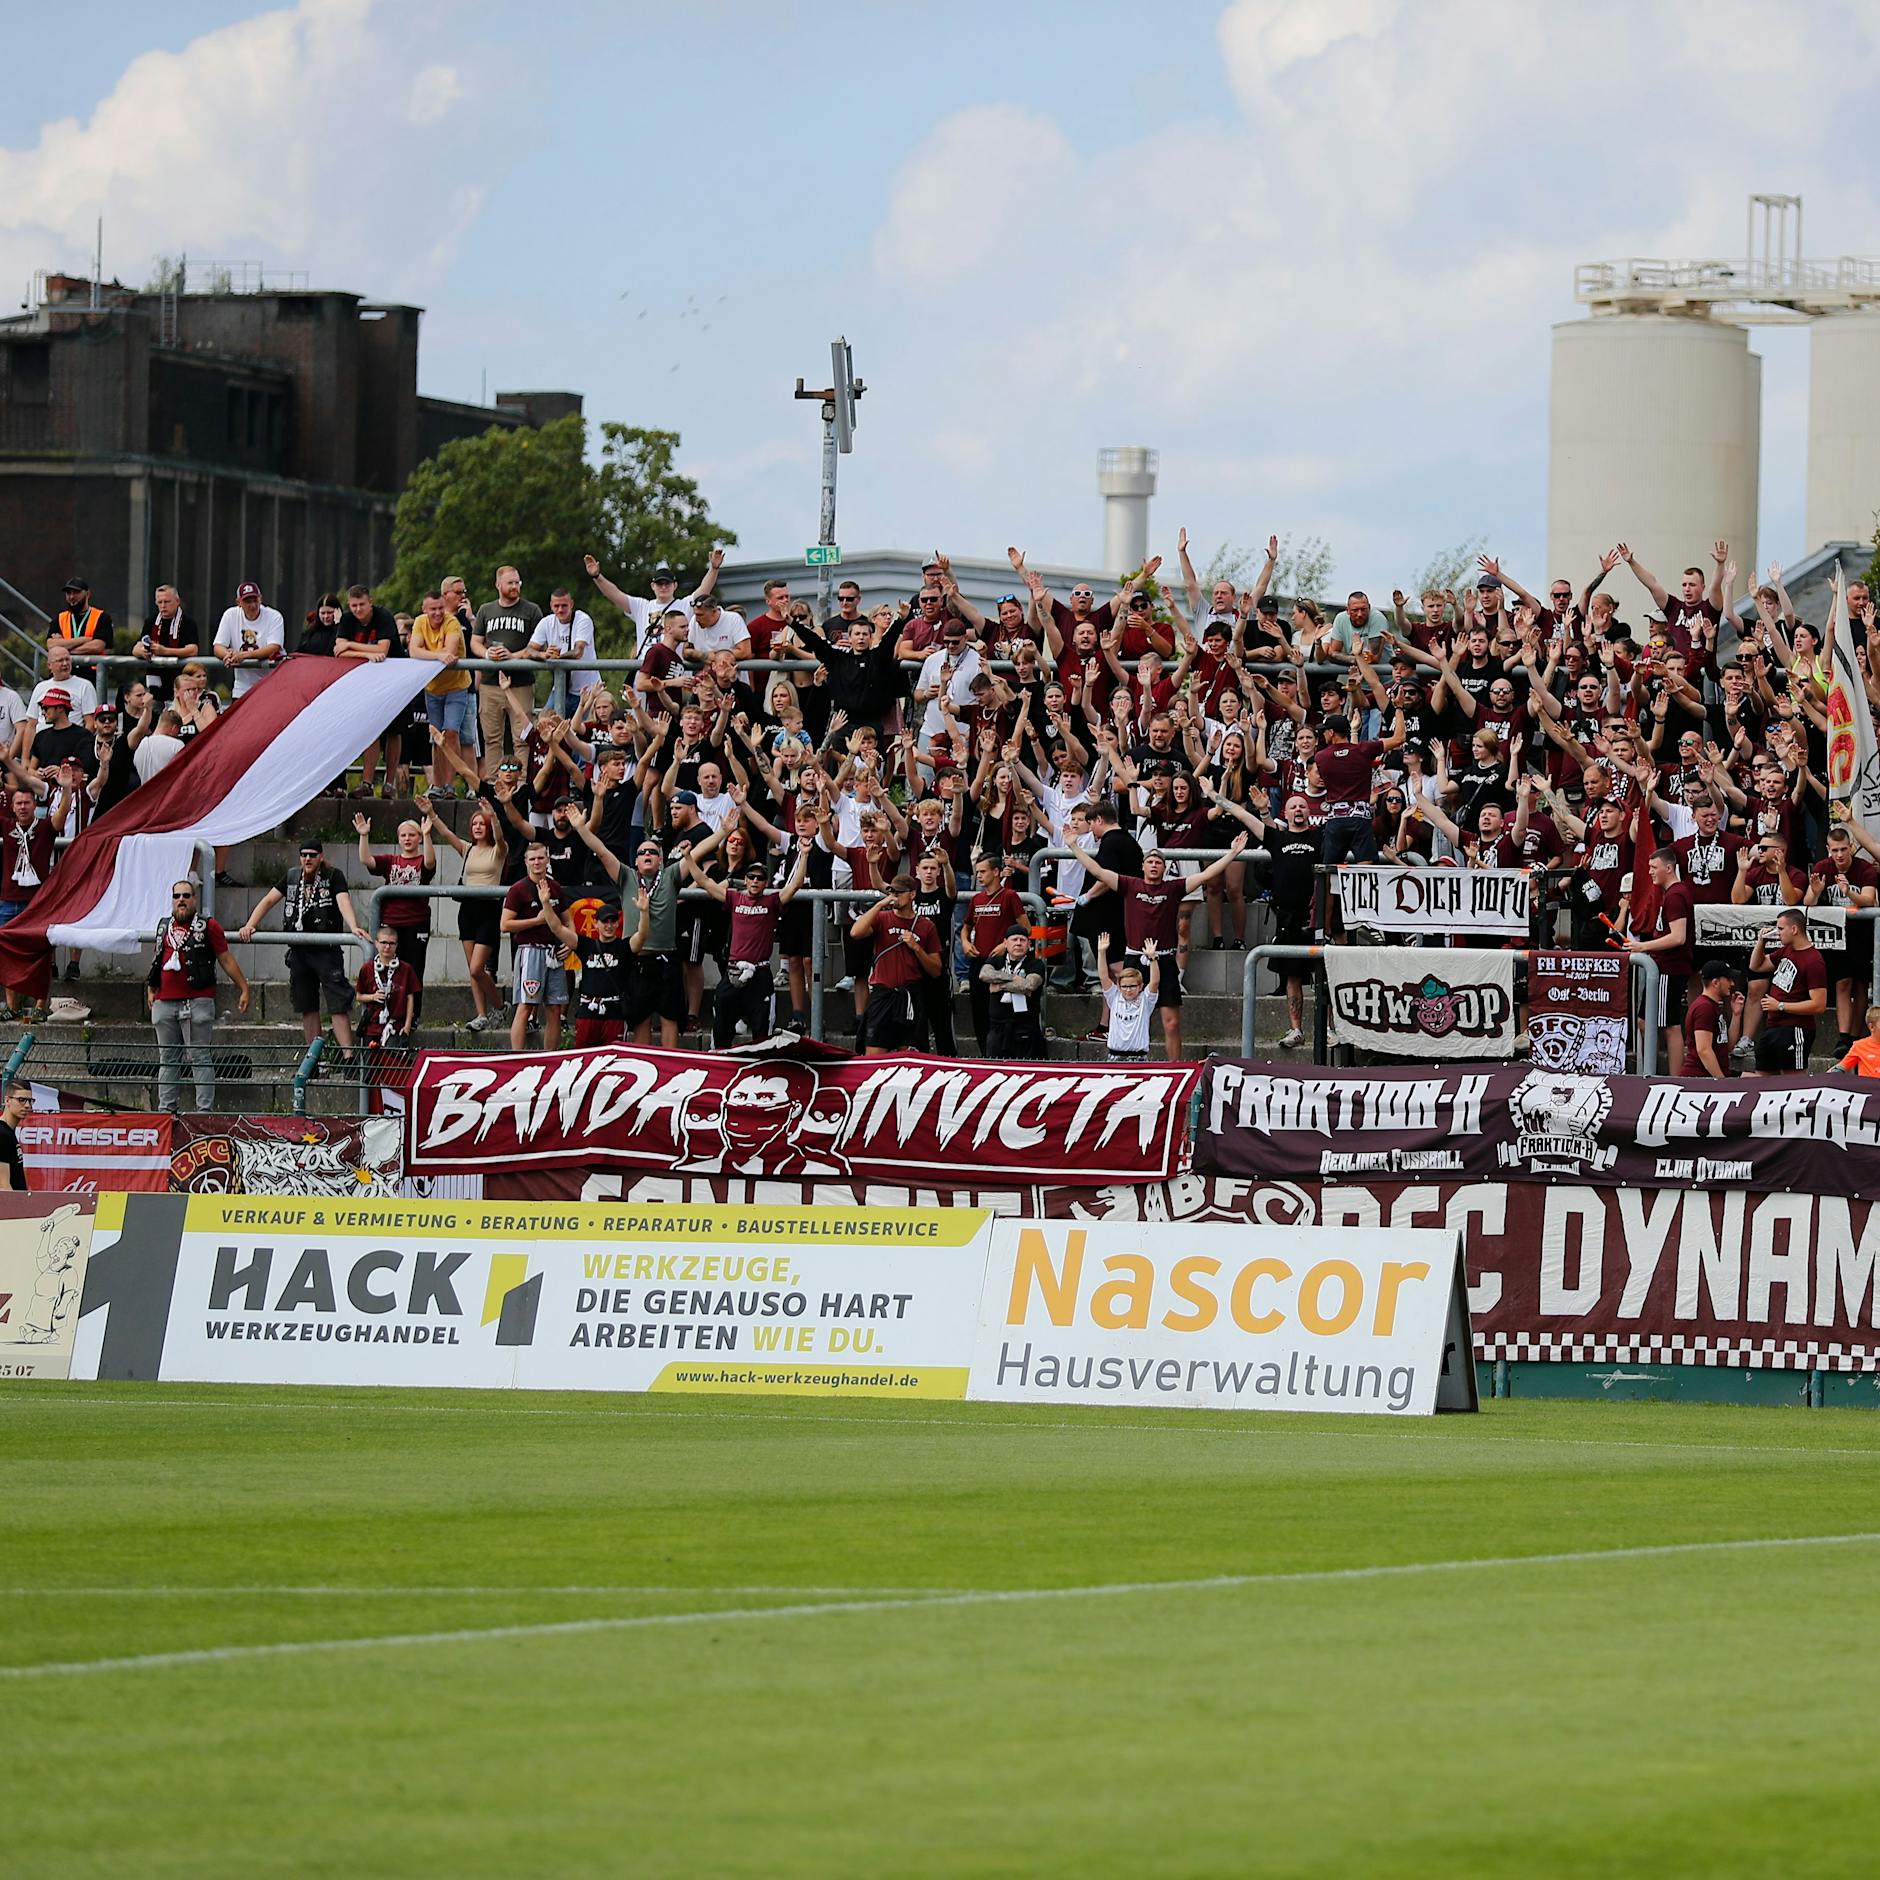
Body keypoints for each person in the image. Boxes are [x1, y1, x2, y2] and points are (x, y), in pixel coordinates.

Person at [1076, 835, 1248, 1061]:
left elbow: (1206, 875)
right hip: (1135, 959)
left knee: (1172, 1022)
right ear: (1143, 866)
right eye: (1150, 861)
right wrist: (1072, 845)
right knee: (1128, 1016)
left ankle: (1174, 1069)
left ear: (1165, 868)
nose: (1154, 865)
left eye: (1158, 862)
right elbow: (1098, 871)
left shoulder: (1174, 888)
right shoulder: (1130, 884)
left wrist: (1233, 853)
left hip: (1165, 960)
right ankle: (1127, 1062)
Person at [237, 844, 371, 1058]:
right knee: (307, 1006)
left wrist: (353, 926)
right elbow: (269, 899)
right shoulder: (292, 876)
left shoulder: (333, 876)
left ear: (321, 857)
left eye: (312, 855)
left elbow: (342, 900)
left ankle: (348, 1058)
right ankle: (315, 1059)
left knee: (337, 1004)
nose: (307, 859)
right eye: (304, 855)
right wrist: (250, 924)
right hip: (299, 950)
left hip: (326, 949)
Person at [683, 843, 810, 1048]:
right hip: (733, 972)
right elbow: (705, 882)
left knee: (762, 1036)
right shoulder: (734, 897)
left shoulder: (772, 901)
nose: (755, 881)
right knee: (721, 1032)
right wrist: (688, 857)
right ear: (745, 880)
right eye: (751, 877)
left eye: (760, 878)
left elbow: (794, 885)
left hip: (760, 974)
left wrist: (804, 855)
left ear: (766, 882)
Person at [147, 879, 250, 1113]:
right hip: (164, 1001)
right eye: (176, 896)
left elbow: (225, 958)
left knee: (200, 1057)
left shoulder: (208, 926)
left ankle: (204, 1112)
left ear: (195, 899)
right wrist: (151, 987)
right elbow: (157, 959)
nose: (181, 900)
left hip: (197, 1000)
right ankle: (166, 1111)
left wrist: (243, 986)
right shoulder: (164, 926)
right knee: (167, 1059)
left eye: (186, 895)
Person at [422, 798, 505, 1030]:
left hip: (489, 908)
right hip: (468, 909)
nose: (478, 827)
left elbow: (500, 838)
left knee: (478, 967)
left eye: (482, 823)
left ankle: (499, 1007)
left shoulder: (498, 850)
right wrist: (431, 813)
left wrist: (494, 816)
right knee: (473, 970)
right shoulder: (467, 849)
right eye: (475, 823)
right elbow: (447, 834)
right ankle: (481, 1014)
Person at [850, 873, 942, 1056]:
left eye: (900, 893)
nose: (895, 897)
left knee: (910, 1056)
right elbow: (855, 932)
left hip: (910, 995)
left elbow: (936, 969)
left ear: (912, 895)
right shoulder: (882, 918)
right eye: (892, 892)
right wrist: (879, 905)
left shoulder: (926, 926)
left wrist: (917, 948)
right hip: (883, 993)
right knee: (873, 1054)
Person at [1623, 847, 1695, 1075]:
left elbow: (1678, 936)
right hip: (1664, 966)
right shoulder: (1672, 894)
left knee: (1669, 1025)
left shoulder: (1675, 895)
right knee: (1646, 1022)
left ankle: (1673, 1077)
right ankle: (1651, 1070)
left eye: (1654, 867)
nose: (1650, 872)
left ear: (1669, 868)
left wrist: (1643, 946)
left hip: (1669, 968)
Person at [355, 814, 436, 1013]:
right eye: (403, 835)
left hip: (416, 923)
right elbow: (366, 860)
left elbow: (430, 864)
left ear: (418, 838)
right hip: (391, 923)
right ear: (398, 839)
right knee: (389, 968)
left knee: (414, 970)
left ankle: (412, 1015)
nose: (407, 839)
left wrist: (427, 835)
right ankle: (388, 1011)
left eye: (412, 835)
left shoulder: (421, 860)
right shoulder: (391, 860)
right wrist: (364, 835)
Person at [502, 839, 575, 1050]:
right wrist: (537, 920)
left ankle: (549, 1057)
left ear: (547, 860)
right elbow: (505, 924)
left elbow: (568, 920)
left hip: (554, 952)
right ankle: (516, 1057)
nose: (537, 862)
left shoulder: (556, 888)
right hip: (530, 950)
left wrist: (570, 941)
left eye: (541, 858)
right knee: (526, 1005)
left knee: (554, 1008)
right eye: (532, 859)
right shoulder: (518, 889)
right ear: (525, 862)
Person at [471, 566, 544, 777]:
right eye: (510, 582)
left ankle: (521, 782)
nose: (515, 586)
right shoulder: (486, 610)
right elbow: (475, 642)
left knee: (522, 736)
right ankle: (495, 782)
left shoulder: (531, 610)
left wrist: (513, 656)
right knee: (491, 738)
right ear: (498, 585)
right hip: (490, 683)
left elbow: (537, 645)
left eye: (517, 582)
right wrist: (487, 654)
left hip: (520, 682)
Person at [408, 589, 479, 797]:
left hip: (456, 687)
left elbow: (451, 648)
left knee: (451, 733)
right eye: (433, 609)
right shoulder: (420, 622)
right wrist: (438, 656)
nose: (438, 613)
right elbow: (414, 650)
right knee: (436, 737)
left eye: (440, 608)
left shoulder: (452, 622)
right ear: (424, 610)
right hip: (432, 689)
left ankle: (449, 784)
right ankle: (437, 784)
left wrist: (432, 655)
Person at [335, 584, 405, 794]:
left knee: (394, 731)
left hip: (393, 680)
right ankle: (366, 783)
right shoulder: (347, 620)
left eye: (362, 605)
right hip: (366, 683)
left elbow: (382, 650)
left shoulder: (383, 616)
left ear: (370, 602)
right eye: (354, 605)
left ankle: (389, 783)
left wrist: (351, 646)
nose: (358, 610)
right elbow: (338, 651)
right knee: (370, 730)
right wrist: (366, 654)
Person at [1749, 906, 1828, 1073]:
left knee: (1793, 1080)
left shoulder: (1814, 961)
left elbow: (1819, 1005)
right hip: (1772, 1026)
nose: (1778, 933)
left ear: (1794, 929)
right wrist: (1761, 942)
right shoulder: (1786, 950)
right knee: (1762, 1077)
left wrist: (1780, 1006)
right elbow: (1756, 965)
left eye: (1780, 928)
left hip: (1795, 1028)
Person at [571, 898, 649, 1047]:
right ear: (596, 923)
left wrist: (644, 912)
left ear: (618, 923)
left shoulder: (625, 946)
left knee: (614, 1059)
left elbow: (642, 935)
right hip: (588, 1012)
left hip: (615, 1013)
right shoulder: (586, 945)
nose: (609, 926)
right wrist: (547, 904)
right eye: (605, 922)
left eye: (613, 921)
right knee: (583, 1058)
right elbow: (557, 929)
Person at [980, 925, 1046, 1058]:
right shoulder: (996, 960)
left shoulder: (1036, 964)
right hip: (998, 1028)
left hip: (1025, 1027)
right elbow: (984, 974)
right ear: (1005, 943)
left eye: (1022, 940)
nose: (1018, 943)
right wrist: (1013, 978)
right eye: (1014, 939)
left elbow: (1029, 985)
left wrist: (999, 986)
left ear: (1028, 944)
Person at [212, 582, 285, 698]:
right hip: (242, 688)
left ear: (261, 599)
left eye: (255, 600)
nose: (253, 605)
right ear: (239, 602)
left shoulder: (274, 616)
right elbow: (218, 646)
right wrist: (228, 655)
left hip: (272, 685)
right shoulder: (230, 615)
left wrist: (245, 655)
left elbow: (274, 647)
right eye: (248, 602)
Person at [354, 926, 421, 1053]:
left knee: (393, 1066)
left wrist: (407, 1026)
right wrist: (372, 997)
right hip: (372, 1026)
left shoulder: (406, 969)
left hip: (396, 1026)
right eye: (384, 942)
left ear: (396, 945)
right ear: (376, 943)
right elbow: (359, 996)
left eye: (391, 943)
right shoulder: (367, 969)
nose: (387, 947)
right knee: (372, 1066)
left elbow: (410, 997)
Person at [1096, 932, 1160, 1061]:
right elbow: (1103, 976)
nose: (1128, 990)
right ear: (1119, 987)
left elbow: (1154, 982)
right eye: (1125, 986)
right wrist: (1102, 952)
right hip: (1114, 1056)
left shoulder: (1145, 1000)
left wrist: (1153, 959)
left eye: (1132, 986)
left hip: (1138, 1057)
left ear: (1140, 986)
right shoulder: (1114, 997)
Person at [531, 588, 600, 704]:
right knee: (544, 719)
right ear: (551, 606)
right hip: (560, 688)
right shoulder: (546, 622)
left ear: (571, 604)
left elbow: (578, 652)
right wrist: (543, 654)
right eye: (556, 606)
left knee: (583, 723)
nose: (560, 610)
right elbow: (529, 649)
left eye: (564, 606)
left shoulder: (583, 619)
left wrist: (557, 657)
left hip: (588, 690)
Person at [135, 584, 199, 703]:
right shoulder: (151, 621)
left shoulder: (188, 622)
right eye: (160, 602)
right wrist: (142, 652)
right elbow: (136, 647)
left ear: (177, 601)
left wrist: (165, 651)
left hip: (181, 682)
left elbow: (193, 650)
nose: (163, 606)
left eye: (167, 602)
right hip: (155, 682)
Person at [1682, 960, 1745, 1078]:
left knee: (1755, 1079)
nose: (1732, 984)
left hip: (1714, 1076)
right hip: (1701, 1078)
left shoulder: (1713, 1006)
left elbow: (1728, 1045)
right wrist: (1722, 1083)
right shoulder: (1704, 1008)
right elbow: (1704, 1050)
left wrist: (1736, 1015)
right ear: (1715, 982)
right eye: (1728, 979)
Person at [51, 577, 113, 654]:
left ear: (88, 594)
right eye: (68, 593)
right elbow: (51, 645)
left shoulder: (102, 617)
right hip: (67, 665)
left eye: (76, 592)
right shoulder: (60, 618)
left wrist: (65, 649)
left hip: (93, 665)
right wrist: (85, 640)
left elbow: (97, 647)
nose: (71, 597)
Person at [1832, 1005, 1880, 1077]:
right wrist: (1823, 1080)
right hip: (1866, 1087)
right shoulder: (1859, 1046)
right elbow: (1841, 1067)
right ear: (1872, 1027)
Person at [0, 1080, 30, 1190]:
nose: (27, 1105)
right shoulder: (2, 1134)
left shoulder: (8, 1132)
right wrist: (16, 1207)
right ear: (7, 1100)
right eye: (21, 1100)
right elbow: (3, 1186)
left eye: (30, 1101)